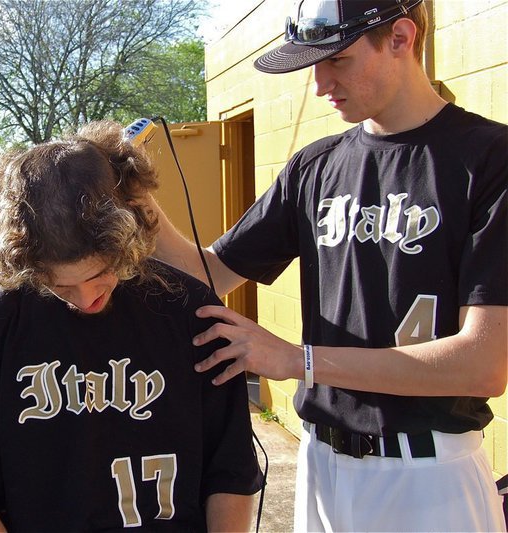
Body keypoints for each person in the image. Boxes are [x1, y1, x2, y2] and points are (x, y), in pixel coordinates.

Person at [148, 0, 507, 531]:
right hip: (322, 465)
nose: (319, 85)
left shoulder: (489, 158)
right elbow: (212, 273)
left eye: (336, 59)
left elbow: (484, 363)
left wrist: (301, 361)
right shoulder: (315, 166)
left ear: (401, 38)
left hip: (429, 475)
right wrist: (138, 203)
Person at [0, 122, 264, 531]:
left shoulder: (191, 313)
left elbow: (230, 472)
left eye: (103, 272)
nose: (87, 298)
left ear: (130, 237)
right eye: (60, 285)